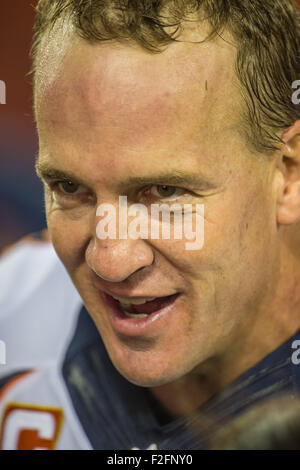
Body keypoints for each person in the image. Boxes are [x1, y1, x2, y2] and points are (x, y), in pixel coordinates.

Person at [0, 0, 300, 450]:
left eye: (163, 192)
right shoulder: (12, 310)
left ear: (289, 174)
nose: (111, 261)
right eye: (67, 187)